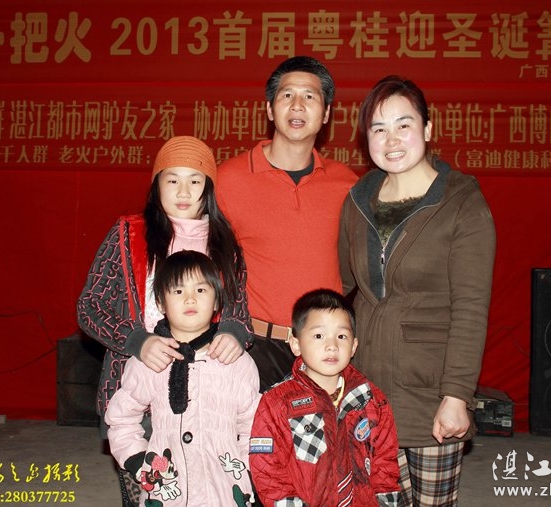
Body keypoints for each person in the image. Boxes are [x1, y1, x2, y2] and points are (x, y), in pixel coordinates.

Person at [338, 75, 496, 506]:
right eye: (378, 128)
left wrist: (457, 395)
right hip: (369, 391)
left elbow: (471, 308)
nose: (391, 140)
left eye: (403, 125)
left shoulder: (461, 203)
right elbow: (342, 289)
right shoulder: (357, 201)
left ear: (427, 129)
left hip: (431, 393)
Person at [77, 135, 252, 506]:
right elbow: (90, 306)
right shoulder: (128, 234)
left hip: (209, 399)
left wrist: (234, 332)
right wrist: (137, 341)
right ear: (156, 185)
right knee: (151, 495)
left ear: (208, 188)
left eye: (195, 180)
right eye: (172, 180)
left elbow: (239, 311)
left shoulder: (224, 243)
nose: (183, 191)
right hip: (137, 392)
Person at [217, 56, 358, 392]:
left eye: (309, 96)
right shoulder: (228, 179)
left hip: (321, 351)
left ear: (326, 114)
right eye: (287, 95)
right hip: (250, 348)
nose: (297, 105)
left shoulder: (347, 185)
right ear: (269, 109)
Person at [105, 250, 260, 507]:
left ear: (216, 302)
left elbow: (254, 426)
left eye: (200, 290)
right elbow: (121, 419)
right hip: (166, 490)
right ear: (161, 303)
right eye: (178, 291)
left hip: (224, 492)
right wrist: (139, 462)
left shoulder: (235, 361)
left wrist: (247, 470)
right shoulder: (149, 361)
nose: (190, 298)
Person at [249, 289, 402, 506]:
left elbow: (385, 461)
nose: (332, 346)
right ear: (296, 344)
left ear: (354, 346)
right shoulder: (277, 403)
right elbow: (268, 470)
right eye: (319, 336)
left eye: (341, 336)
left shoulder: (371, 398)